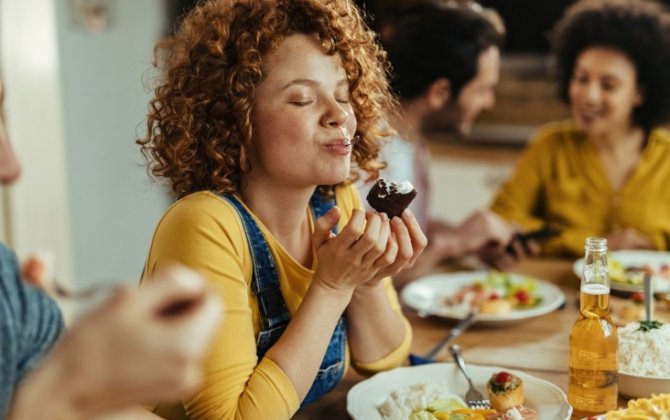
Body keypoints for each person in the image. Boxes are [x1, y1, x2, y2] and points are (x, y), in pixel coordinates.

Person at [137, 0, 426, 418]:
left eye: (343, 95)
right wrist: (331, 288)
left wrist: (364, 282)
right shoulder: (204, 225)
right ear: (238, 119)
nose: (340, 115)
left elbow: (388, 359)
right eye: (303, 99)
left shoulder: (335, 201)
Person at [0, 79, 221, 419]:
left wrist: (93, 385)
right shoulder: (203, 220)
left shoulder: (11, 292)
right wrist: (70, 391)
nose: (11, 166)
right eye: (301, 99)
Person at [490, 0, 670, 257]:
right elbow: (501, 220)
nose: (589, 96)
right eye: (581, 78)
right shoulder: (549, 146)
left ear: (639, 93)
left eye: (608, 85)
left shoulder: (666, 157)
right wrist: (598, 243)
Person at [363, 0, 517, 285]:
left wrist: (472, 239)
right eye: (483, 89)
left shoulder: (412, 139)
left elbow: (405, 231)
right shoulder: (369, 155)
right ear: (440, 92)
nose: (489, 102)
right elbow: (367, 277)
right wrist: (454, 243)